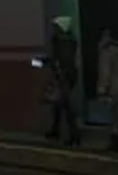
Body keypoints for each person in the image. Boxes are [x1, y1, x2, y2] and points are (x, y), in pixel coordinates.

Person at [45, 15, 80, 146]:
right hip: (65, 75)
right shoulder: (66, 40)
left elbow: (62, 60)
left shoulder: (63, 41)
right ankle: (57, 130)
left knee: (66, 105)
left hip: (64, 76)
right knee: (58, 105)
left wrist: (56, 68)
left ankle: (74, 134)